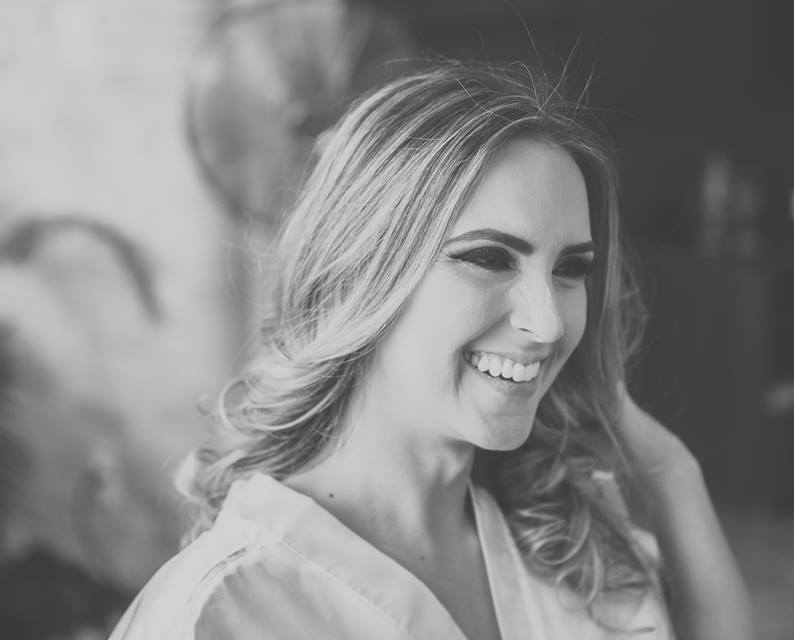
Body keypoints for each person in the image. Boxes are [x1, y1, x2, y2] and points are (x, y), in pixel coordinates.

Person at [109, 61, 753, 640]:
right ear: (359, 272)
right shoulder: (222, 611)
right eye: (489, 258)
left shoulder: (568, 541)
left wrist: (672, 474)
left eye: (570, 269)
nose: (549, 323)